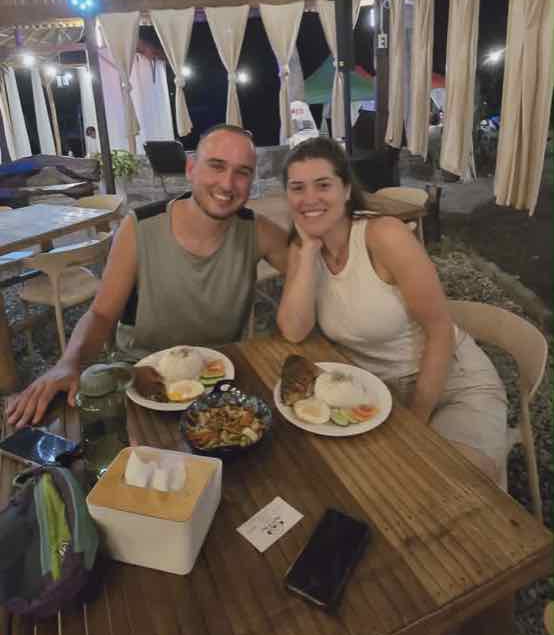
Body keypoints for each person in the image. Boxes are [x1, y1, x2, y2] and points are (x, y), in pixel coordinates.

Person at [8, 125, 288, 427]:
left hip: (219, 382)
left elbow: (317, 270)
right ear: (191, 168)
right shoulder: (139, 228)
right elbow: (102, 314)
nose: (228, 183)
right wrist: (68, 363)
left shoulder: (258, 231)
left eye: (242, 172)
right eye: (216, 166)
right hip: (142, 382)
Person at [276, 137, 508, 485]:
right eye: (297, 188)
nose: (309, 198)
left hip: (450, 383)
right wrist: (308, 250)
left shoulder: (384, 236)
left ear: (345, 189)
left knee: (456, 484)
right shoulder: (302, 248)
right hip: (373, 391)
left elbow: (440, 331)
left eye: (322, 185)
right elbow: (294, 331)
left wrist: (415, 423)